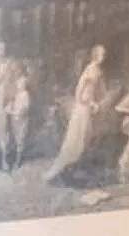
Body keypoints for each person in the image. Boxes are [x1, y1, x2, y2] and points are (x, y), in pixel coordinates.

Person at [44, 44, 108, 184]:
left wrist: (98, 104)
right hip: (83, 109)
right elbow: (79, 93)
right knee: (77, 140)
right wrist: (90, 103)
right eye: (102, 54)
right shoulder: (89, 70)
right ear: (95, 55)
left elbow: (101, 91)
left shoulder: (98, 70)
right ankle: (65, 171)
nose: (104, 56)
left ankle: (76, 171)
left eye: (104, 54)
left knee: (87, 139)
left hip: (90, 109)